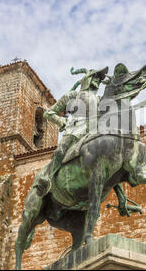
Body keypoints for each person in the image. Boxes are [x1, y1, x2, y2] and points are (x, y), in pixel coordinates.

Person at [32, 66, 108, 197]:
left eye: (99, 79)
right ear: (87, 79)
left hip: (93, 131)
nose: (97, 81)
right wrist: (61, 121)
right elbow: (49, 113)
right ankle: (48, 179)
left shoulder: (99, 100)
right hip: (75, 130)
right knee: (61, 150)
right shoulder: (72, 96)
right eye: (94, 77)